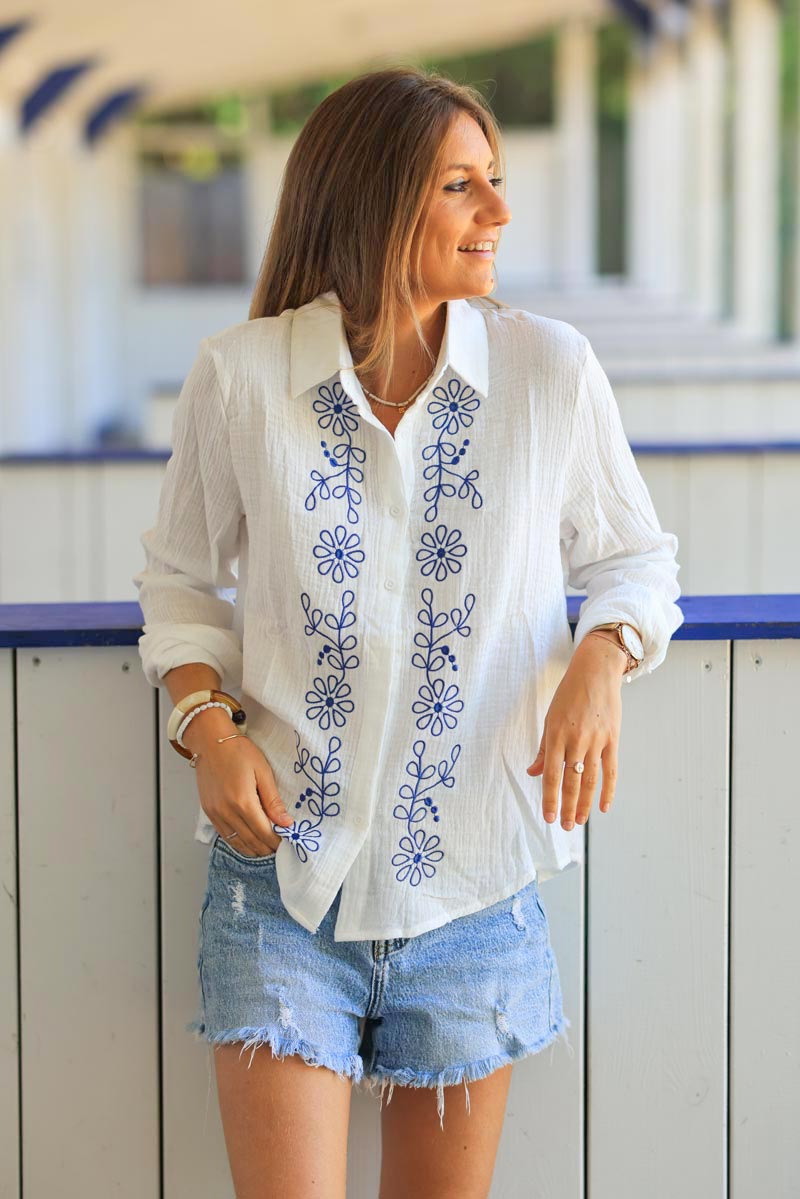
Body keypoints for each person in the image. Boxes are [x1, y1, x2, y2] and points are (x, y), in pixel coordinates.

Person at [133, 65, 683, 1199]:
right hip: (278, 885)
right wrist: (207, 725)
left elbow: (635, 558)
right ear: (375, 198)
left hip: (473, 891)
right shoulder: (239, 379)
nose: (498, 212)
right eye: (460, 186)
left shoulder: (547, 372)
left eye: (495, 181)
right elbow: (180, 587)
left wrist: (599, 655)